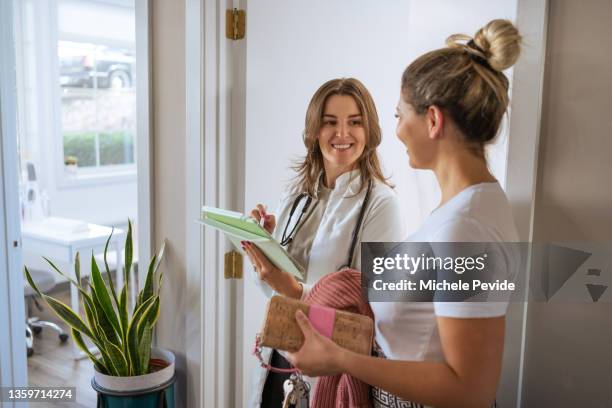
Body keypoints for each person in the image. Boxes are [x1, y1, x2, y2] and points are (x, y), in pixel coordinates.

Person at [287, 19, 523, 408]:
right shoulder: (464, 209)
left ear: (432, 120)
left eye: (399, 115)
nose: (395, 130)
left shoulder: (466, 228)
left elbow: (471, 389)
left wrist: (342, 360)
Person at [243, 78, 404, 407]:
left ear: (369, 130)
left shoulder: (381, 204)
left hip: (330, 373)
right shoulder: (297, 193)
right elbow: (272, 290)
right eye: (330, 122)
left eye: (354, 122)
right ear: (314, 131)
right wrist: (266, 247)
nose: (342, 134)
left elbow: (373, 311)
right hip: (281, 358)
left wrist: (294, 291)